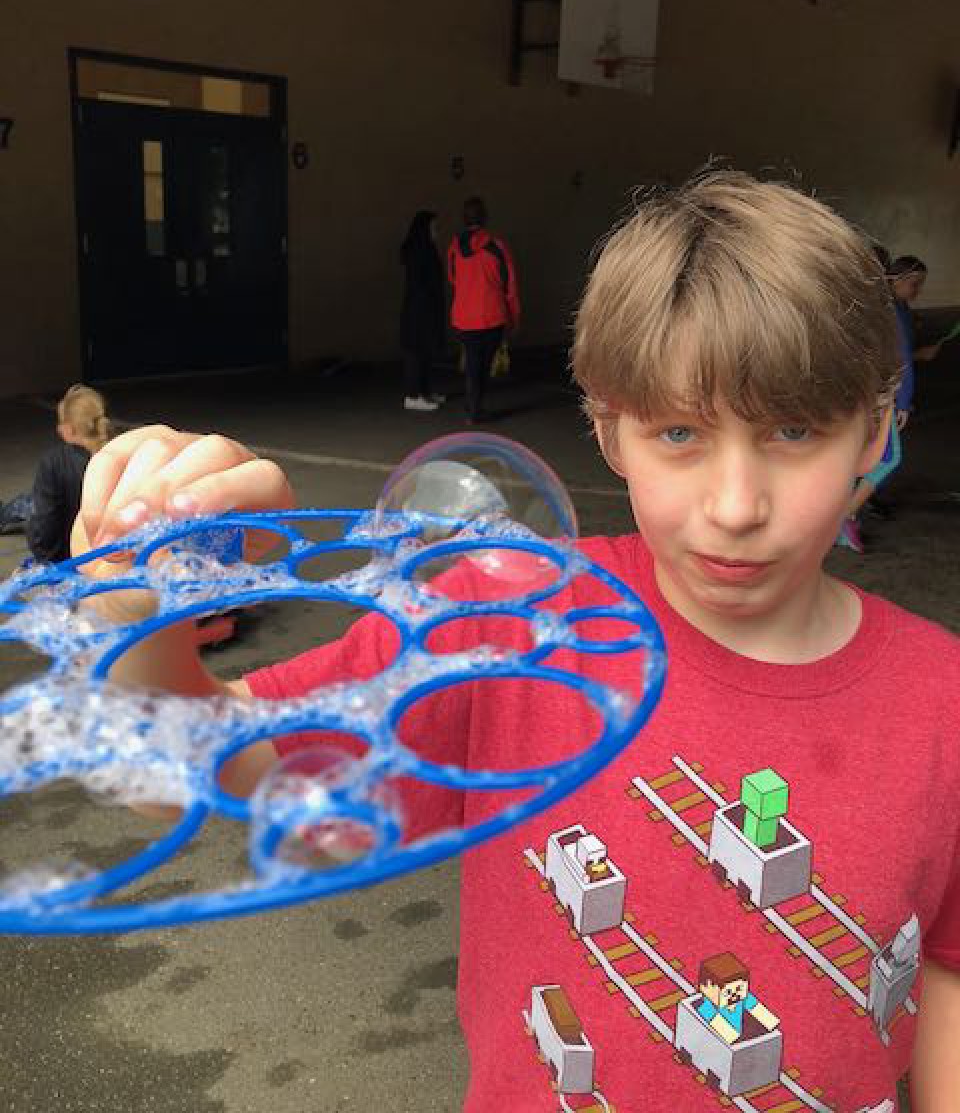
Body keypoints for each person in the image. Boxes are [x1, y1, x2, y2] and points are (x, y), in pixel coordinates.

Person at [74, 171, 960, 1112]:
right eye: (678, 432)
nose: (736, 506)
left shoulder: (943, 701)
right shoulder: (512, 625)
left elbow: (945, 972)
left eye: (793, 429)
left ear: (876, 432)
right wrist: (132, 613)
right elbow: (173, 772)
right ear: (609, 430)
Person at [838, 254, 942, 551]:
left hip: (869, 391)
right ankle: (844, 517)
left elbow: (901, 354)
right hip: (879, 395)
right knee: (888, 458)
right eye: (914, 284)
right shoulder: (891, 313)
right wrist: (903, 402)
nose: (918, 290)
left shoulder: (894, 309)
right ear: (896, 281)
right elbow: (901, 360)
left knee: (865, 454)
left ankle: (844, 513)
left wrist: (921, 352)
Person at [447, 196, 520, 422]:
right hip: (491, 316)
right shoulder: (497, 247)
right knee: (484, 365)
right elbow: (510, 286)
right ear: (485, 217)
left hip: (463, 317)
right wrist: (513, 318)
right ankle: (475, 407)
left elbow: (452, 278)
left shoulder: (455, 247)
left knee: (472, 363)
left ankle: (473, 405)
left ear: (464, 218)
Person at [27, 384, 111, 562]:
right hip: (113, 556)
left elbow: (45, 525)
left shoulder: (54, 463)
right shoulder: (118, 454)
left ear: (68, 429)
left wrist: (44, 557)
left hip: (69, 560)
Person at [399, 209, 446, 412]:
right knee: (416, 352)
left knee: (425, 351)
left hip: (423, 308)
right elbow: (421, 282)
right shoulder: (419, 251)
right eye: (433, 227)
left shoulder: (425, 248)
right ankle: (413, 395)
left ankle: (424, 391)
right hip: (419, 310)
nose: (436, 231)